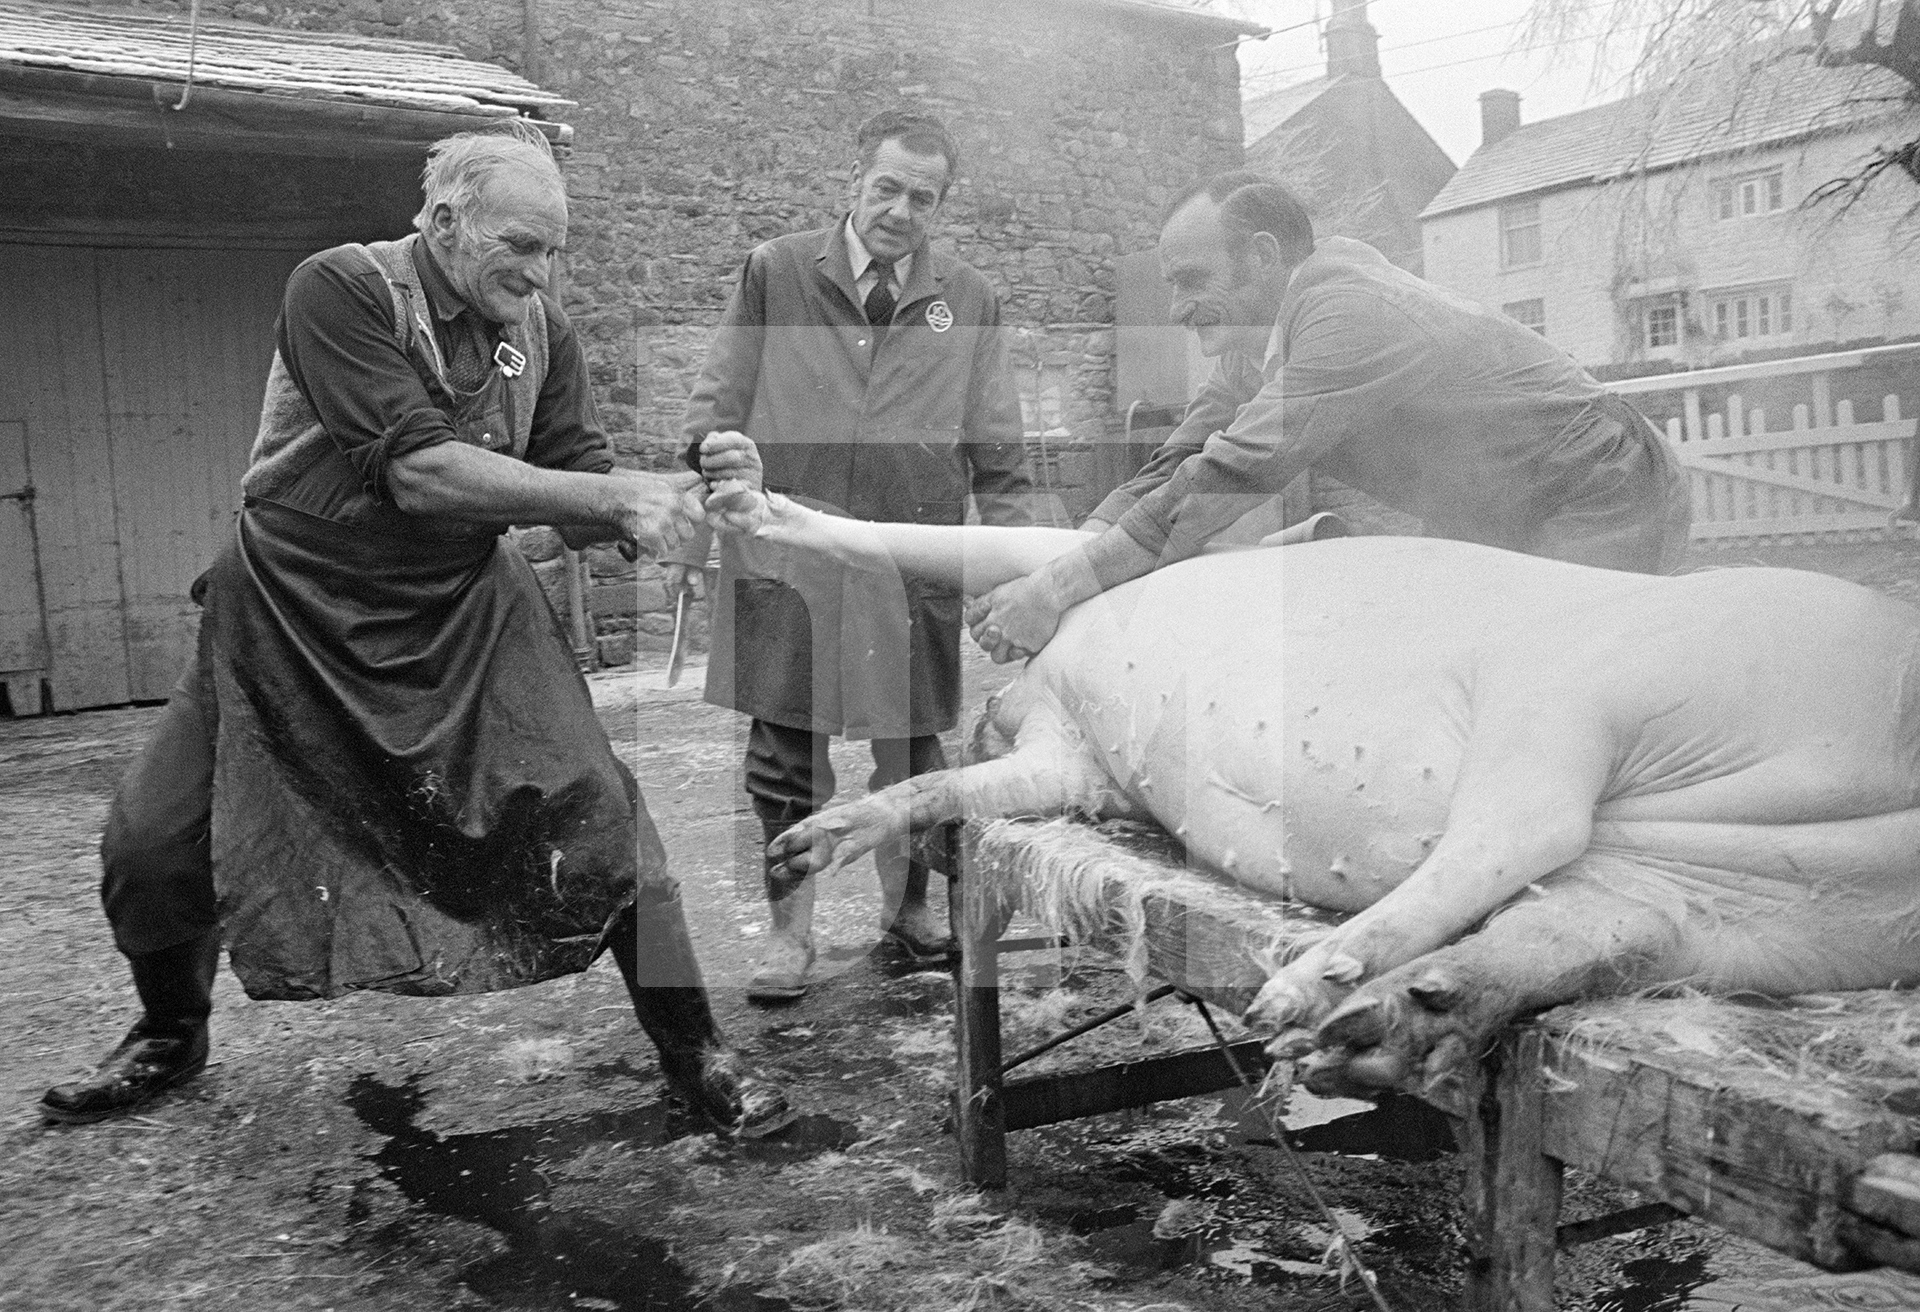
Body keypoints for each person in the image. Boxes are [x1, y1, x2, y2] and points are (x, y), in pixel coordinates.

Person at [40, 126, 791, 1138]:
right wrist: (619, 496)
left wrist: (689, 489)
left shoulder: (544, 335)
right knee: (152, 838)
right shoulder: (339, 289)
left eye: (553, 250)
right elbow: (416, 469)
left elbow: (578, 506)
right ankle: (170, 1031)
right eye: (518, 247)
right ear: (444, 224)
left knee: (605, 819)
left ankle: (697, 1053)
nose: (539, 273)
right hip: (291, 606)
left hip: (462, 607)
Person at [966, 170, 1693, 664]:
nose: (1179, 309)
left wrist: (1056, 592)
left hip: (1598, 481)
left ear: (1261, 256)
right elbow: (1171, 467)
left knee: (1567, 689)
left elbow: (1230, 474)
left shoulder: (1347, 310)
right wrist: (1055, 567)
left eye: (1193, 281)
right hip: (1497, 503)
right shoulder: (1253, 355)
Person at [674, 108, 1034, 1001]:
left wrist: (1025, 571)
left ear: (940, 205)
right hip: (788, 561)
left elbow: (1001, 457)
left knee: (911, 754)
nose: (902, 210)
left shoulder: (972, 300)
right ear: (854, 182)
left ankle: (907, 912)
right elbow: (717, 404)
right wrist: (716, 464)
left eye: (924, 196)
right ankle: (790, 934)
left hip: (911, 565)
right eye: (887, 187)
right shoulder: (777, 273)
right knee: (786, 760)